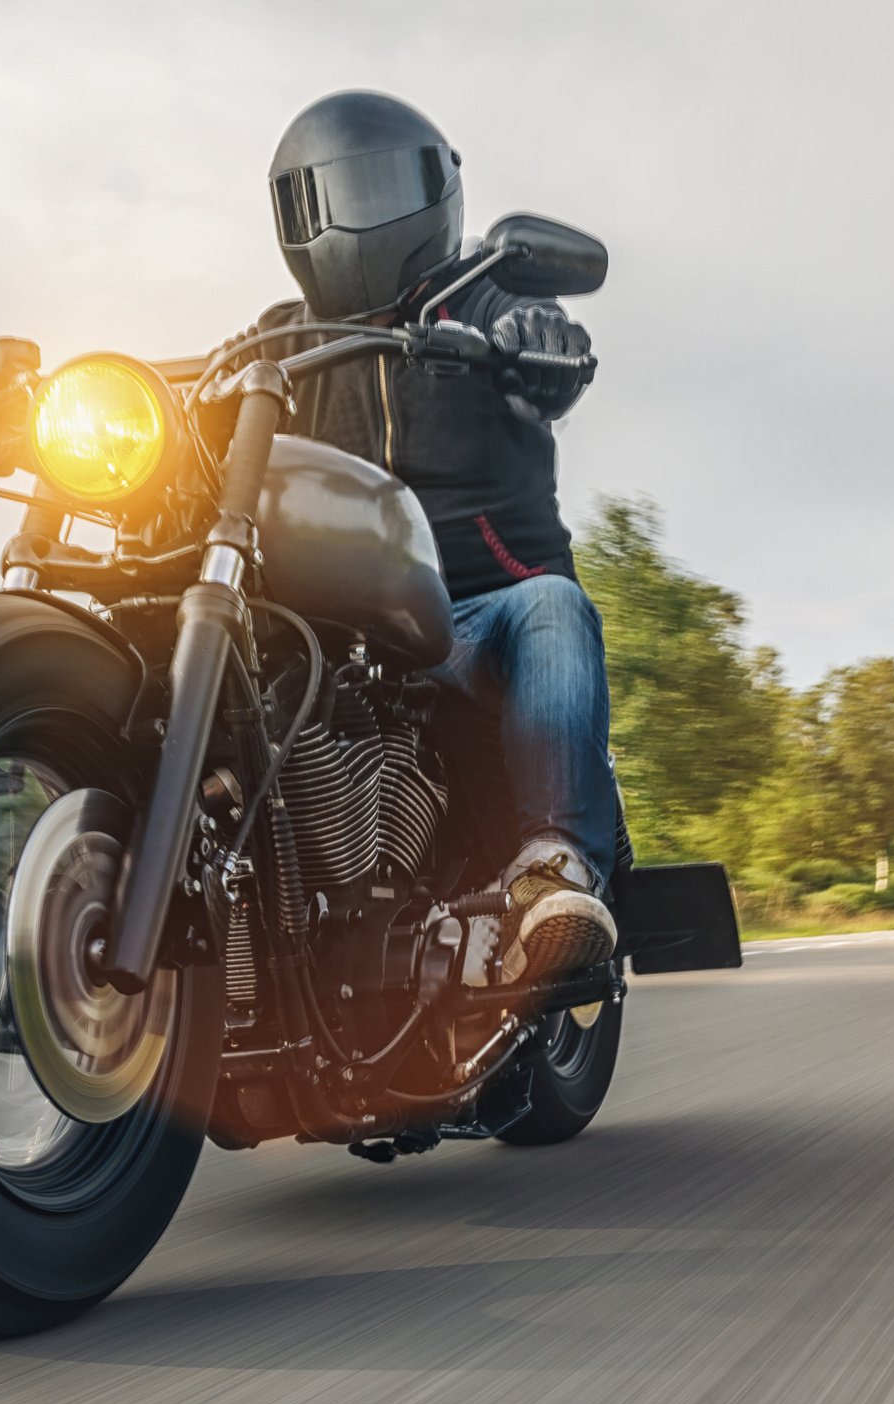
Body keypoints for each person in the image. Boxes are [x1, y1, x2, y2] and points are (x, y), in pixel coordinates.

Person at [218, 89, 620, 983]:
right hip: (332, 624)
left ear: (434, 195)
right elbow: (195, 394)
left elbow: (555, 342)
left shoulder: (486, 299)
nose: (356, 218)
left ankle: (553, 873)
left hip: (478, 611)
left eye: (379, 191)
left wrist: (540, 345)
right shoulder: (278, 341)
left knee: (553, 605)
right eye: (333, 196)